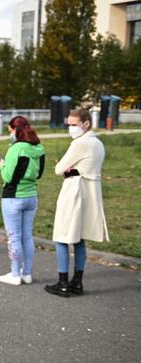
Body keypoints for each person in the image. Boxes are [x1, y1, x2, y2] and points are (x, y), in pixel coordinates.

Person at [45, 107, 109, 297]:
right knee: (79, 238)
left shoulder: (79, 144)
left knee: (62, 236)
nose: (71, 128)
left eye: (74, 124)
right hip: (91, 191)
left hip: (75, 190)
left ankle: (63, 282)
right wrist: (73, 168)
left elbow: (58, 169)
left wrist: (69, 169)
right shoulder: (98, 143)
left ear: (86, 123)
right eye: (69, 124)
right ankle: (77, 282)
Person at [0, 116, 45, 286]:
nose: (10, 134)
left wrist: (2, 165)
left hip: (13, 197)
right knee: (27, 237)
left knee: (14, 238)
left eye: (9, 131)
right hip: (31, 196)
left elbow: (8, 177)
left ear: (15, 130)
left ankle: (15, 274)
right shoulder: (38, 147)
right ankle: (27, 273)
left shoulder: (15, 149)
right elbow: (38, 174)